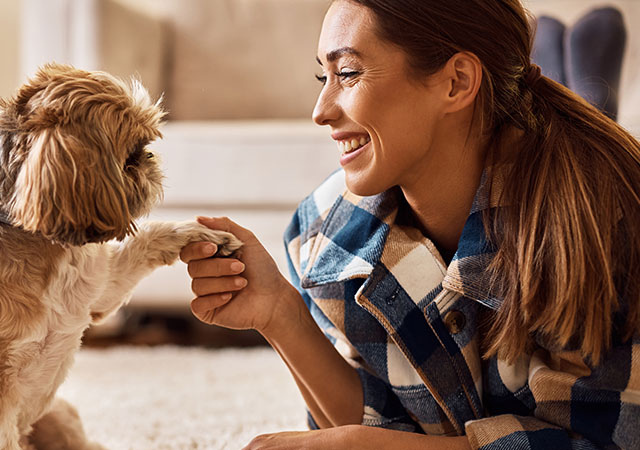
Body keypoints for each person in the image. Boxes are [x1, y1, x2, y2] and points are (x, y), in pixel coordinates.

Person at [180, 1, 640, 449]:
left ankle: (583, 86)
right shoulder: (324, 235)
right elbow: (387, 419)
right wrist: (281, 313)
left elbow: (610, 437)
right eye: (323, 75)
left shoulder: (599, 224)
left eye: (347, 73)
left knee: (586, 118)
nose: (319, 111)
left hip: (563, 170)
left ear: (457, 81)